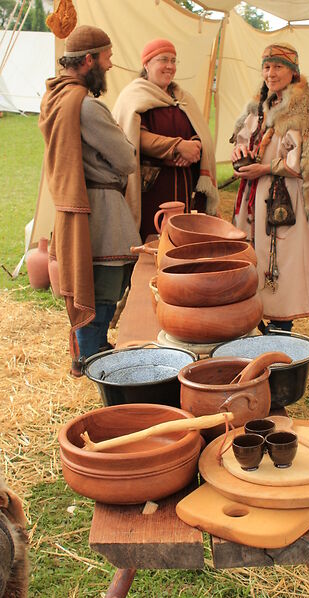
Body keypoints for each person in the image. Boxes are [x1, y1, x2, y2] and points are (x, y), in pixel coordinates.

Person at [39, 25, 140, 375]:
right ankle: (93, 357)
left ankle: (91, 352)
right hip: (101, 211)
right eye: (107, 57)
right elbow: (127, 159)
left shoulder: (54, 97)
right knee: (104, 286)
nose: (110, 65)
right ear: (88, 60)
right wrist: (125, 149)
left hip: (77, 206)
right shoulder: (86, 106)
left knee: (93, 282)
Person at [231, 43, 309, 332]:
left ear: (293, 71)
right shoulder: (260, 103)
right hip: (256, 196)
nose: (270, 72)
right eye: (266, 66)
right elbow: (242, 137)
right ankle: (257, 327)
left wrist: (265, 168)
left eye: (278, 66)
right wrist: (240, 153)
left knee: (281, 268)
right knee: (254, 260)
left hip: (285, 200)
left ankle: (280, 331)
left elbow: (305, 161)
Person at [113, 38, 219, 242]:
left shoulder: (182, 97)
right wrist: (177, 147)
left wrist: (195, 146)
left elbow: (197, 130)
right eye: (163, 60)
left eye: (173, 61)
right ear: (146, 64)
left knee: (182, 239)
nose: (170, 66)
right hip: (152, 188)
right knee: (154, 239)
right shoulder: (133, 96)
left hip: (184, 185)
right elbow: (134, 137)